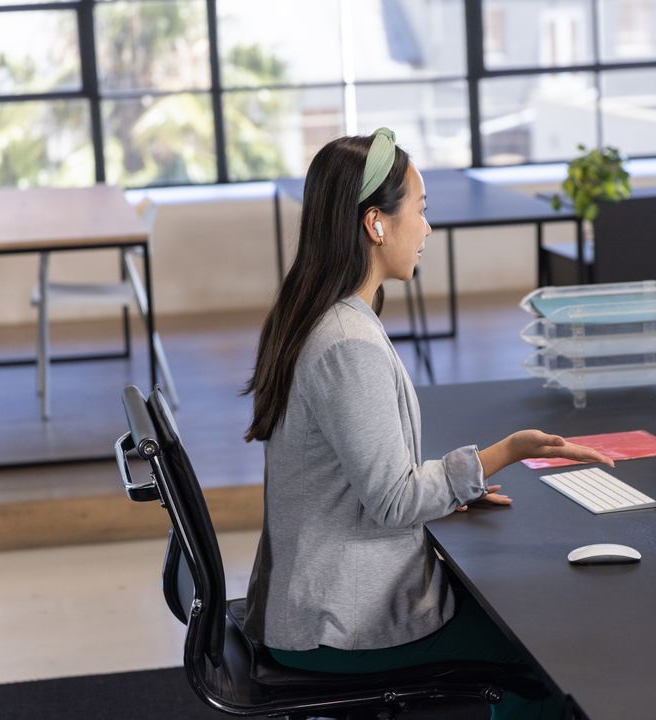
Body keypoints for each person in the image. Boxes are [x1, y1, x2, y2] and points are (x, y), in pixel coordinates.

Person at [242, 128, 614, 718]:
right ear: (376, 224)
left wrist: (453, 489)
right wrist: (506, 452)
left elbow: (369, 483)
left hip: (323, 603)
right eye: (420, 210)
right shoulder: (347, 343)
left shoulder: (324, 316)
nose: (427, 229)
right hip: (342, 624)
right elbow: (392, 501)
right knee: (542, 661)